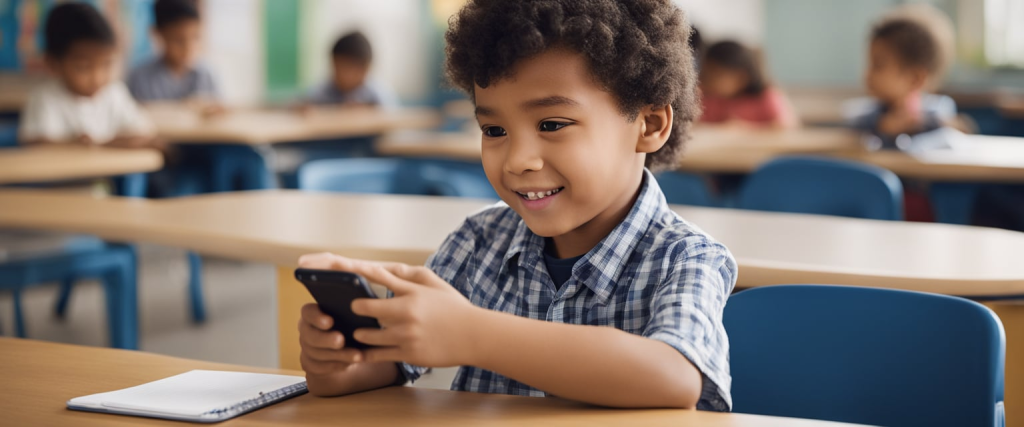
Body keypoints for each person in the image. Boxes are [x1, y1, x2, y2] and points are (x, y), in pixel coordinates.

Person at [296, 0, 736, 411]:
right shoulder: (477, 242)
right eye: (494, 130)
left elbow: (674, 377)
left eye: (551, 124)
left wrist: (473, 334)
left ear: (650, 124)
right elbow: (388, 362)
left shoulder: (686, 257)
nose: (518, 161)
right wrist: (340, 363)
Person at [19, 2, 156, 148]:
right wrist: (76, 146)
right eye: (83, 67)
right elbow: (37, 145)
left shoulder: (115, 93)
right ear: (53, 63)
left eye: (106, 64)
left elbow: (144, 133)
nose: (97, 78)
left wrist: (100, 145)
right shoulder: (45, 99)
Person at [850, 4, 957, 147]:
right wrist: (883, 128)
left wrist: (922, 123)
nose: (867, 74)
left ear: (915, 79)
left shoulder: (938, 110)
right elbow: (854, 126)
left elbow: (956, 126)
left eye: (878, 65)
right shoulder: (871, 115)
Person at [126, 0, 222, 111]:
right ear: (157, 34)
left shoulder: (206, 76)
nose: (188, 48)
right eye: (178, 40)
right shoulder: (139, 78)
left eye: (195, 37)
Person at [699, 40, 798, 129]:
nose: (707, 80)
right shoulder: (709, 98)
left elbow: (786, 125)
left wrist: (743, 127)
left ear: (741, 77)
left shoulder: (765, 96)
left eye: (716, 75)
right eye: (706, 73)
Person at [302, 31, 395, 108]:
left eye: (344, 69)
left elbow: (392, 118)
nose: (337, 73)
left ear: (365, 69)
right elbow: (305, 104)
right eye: (335, 66)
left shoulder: (377, 93)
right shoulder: (324, 90)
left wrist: (368, 111)